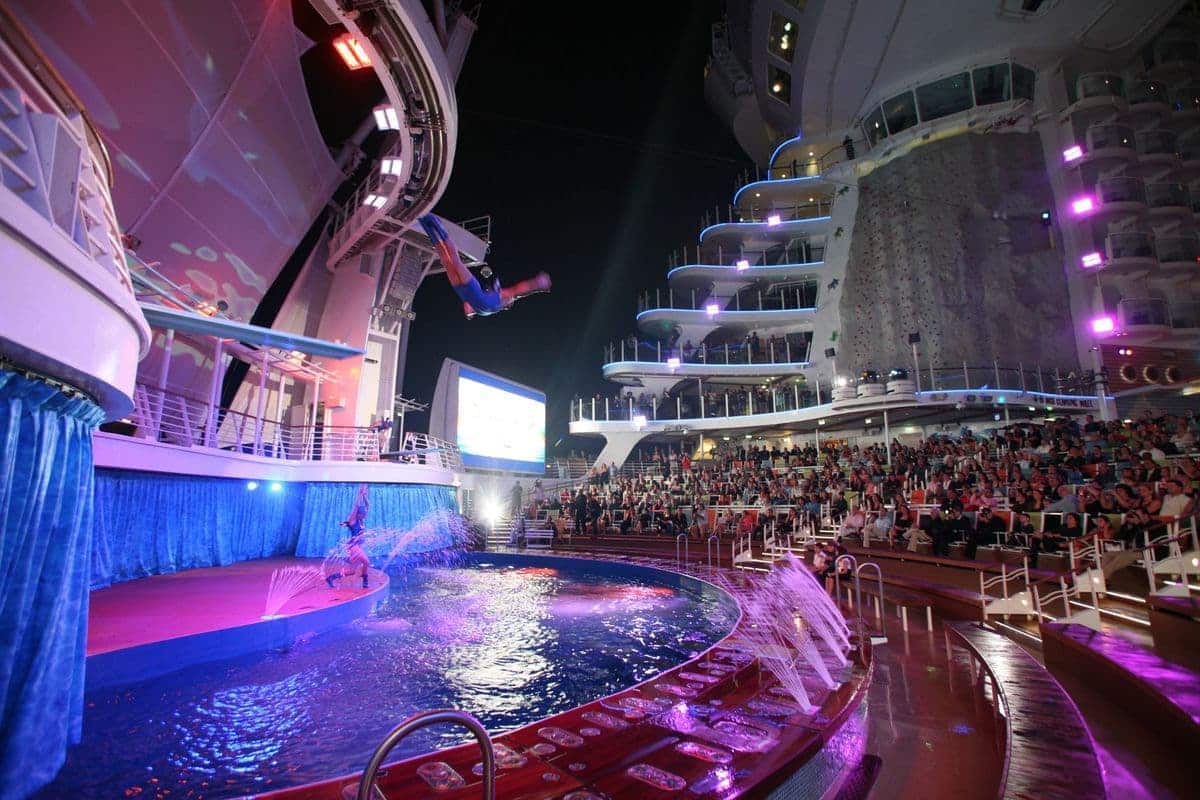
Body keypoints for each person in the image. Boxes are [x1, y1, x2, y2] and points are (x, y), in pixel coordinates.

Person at [419, 214, 551, 317]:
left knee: (450, 261)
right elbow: (518, 290)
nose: (512, 299)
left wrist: (537, 285)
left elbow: (518, 290)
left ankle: (428, 223)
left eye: (511, 301)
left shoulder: (496, 302)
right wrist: (536, 285)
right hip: (468, 291)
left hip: (467, 293)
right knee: (451, 261)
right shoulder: (496, 300)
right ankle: (431, 223)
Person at [326, 484, 371, 589]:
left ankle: (331, 578)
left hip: (358, 546)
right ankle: (365, 579)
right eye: (363, 514)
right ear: (358, 514)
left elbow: (368, 506)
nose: (365, 515)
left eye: (365, 514)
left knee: (352, 571)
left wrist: (364, 495)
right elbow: (355, 506)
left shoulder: (361, 520)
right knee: (366, 561)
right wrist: (359, 494)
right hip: (353, 546)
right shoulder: (353, 520)